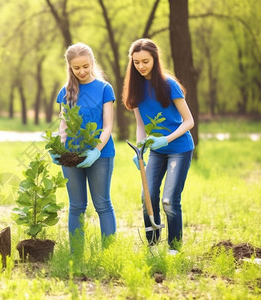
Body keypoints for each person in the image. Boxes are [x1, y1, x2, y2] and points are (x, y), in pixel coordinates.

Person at [122, 38, 194, 253]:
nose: (141, 66)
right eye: (136, 62)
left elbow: (189, 121)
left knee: (170, 200)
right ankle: (153, 245)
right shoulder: (135, 88)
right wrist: (140, 149)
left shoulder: (169, 84)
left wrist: (167, 139)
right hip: (156, 151)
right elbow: (141, 124)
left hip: (179, 149)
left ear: (155, 59)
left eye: (145, 61)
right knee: (148, 198)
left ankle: (174, 248)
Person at [51, 42, 117, 254]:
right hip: (72, 155)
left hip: (101, 155)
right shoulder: (66, 91)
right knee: (77, 206)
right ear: (70, 67)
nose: (81, 71)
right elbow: (63, 124)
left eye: (85, 66)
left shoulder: (105, 89)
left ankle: (109, 253)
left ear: (92, 63)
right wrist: (58, 148)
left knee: (102, 204)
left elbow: (107, 126)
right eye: (76, 68)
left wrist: (96, 150)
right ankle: (76, 254)